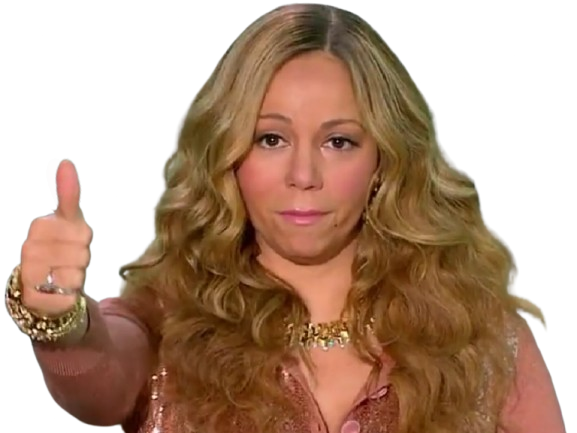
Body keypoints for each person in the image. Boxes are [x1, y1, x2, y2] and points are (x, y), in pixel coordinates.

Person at [5, 3, 565, 433]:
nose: (303, 175)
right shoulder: (165, 326)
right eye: (271, 138)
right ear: (229, 155)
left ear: (384, 161)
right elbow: (98, 381)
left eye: (339, 142)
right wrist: (58, 317)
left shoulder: (484, 340)